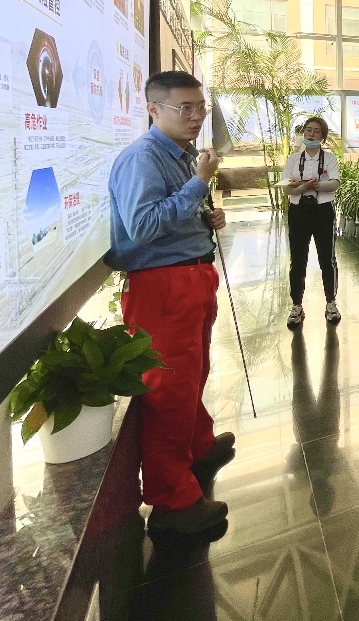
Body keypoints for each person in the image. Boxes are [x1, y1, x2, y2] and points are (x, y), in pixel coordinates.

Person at [105, 71, 235, 536]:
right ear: (153, 109)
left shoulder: (179, 155)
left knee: (192, 373)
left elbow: (175, 211)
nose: (196, 117)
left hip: (190, 277)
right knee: (167, 390)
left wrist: (206, 215)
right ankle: (171, 502)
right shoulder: (142, 158)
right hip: (162, 286)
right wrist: (199, 184)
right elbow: (142, 226)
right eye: (185, 108)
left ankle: (197, 446)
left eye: (200, 107)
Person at [282, 117, 341, 328]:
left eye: (316, 131)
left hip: (323, 210)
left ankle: (331, 302)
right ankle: (296, 305)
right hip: (298, 210)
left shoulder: (330, 158)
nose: (311, 134)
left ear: (322, 136)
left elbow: (334, 183)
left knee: (327, 258)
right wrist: (305, 187)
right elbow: (286, 188)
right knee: (298, 260)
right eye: (308, 130)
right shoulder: (293, 159)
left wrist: (310, 186)